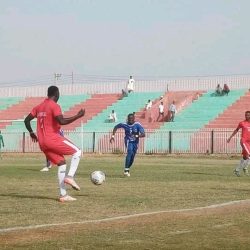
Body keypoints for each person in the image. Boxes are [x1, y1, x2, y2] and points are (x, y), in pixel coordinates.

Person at [24, 86, 85, 202]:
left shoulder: (39, 106)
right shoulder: (54, 105)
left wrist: (31, 133)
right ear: (56, 94)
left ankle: (63, 195)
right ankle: (70, 177)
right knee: (77, 151)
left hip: (42, 143)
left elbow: (26, 120)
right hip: (52, 139)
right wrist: (78, 116)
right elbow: (61, 121)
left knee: (61, 163)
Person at [227, 111, 250, 177]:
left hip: (249, 143)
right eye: (246, 115)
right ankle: (245, 168)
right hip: (244, 141)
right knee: (249, 156)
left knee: (245, 157)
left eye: (248, 115)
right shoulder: (242, 123)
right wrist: (230, 137)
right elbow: (236, 130)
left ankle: (237, 170)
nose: (247, 116)